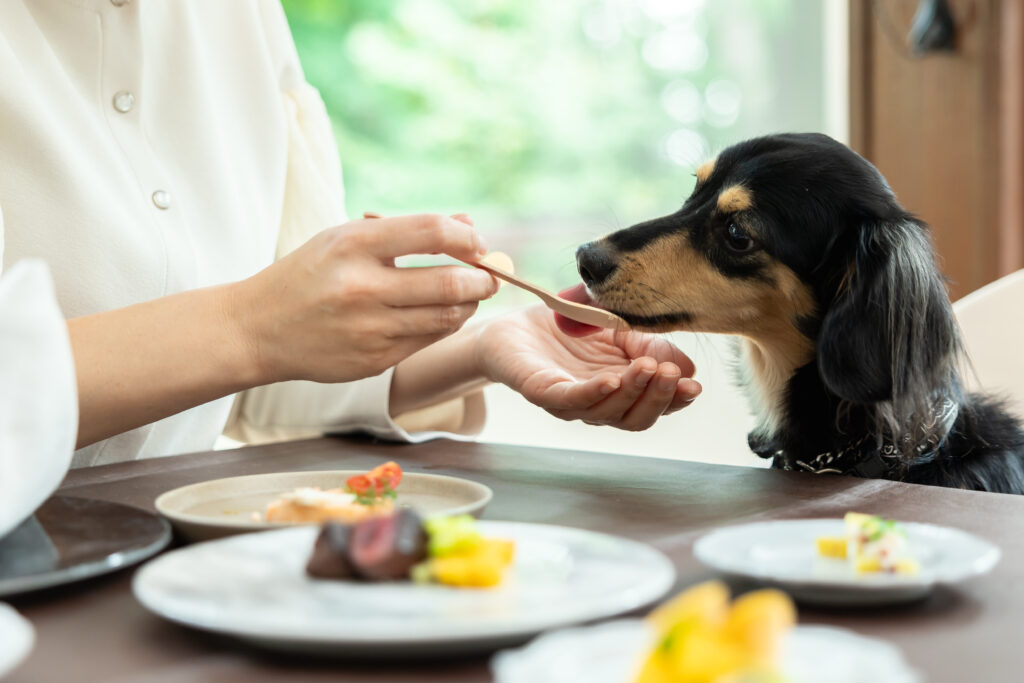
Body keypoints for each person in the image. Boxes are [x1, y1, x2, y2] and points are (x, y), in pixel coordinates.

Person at [0, 0, 702, 468]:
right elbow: (250, 334)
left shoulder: (241, 17)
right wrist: (252, 325)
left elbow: (253, 381)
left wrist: (482, 345)